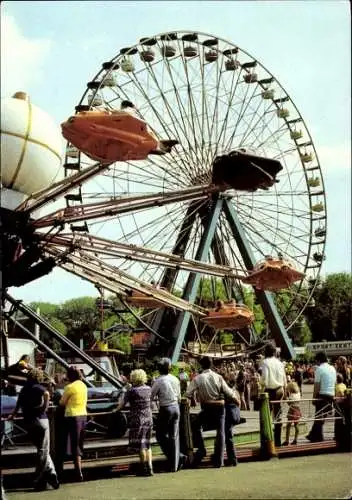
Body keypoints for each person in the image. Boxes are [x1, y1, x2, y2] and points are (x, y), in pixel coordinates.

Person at [8, 368, 59, 491]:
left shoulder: (24, 389)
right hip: (41, 419)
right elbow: (46, 393)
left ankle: (51, 474)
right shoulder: (37, 387)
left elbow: (18, 404)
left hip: (28, 421)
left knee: (41, 449)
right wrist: (44, 407)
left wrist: (13, 415)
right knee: (44, 450)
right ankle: (39, 477)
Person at [186, 356, 237, 468]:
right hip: (219, 409)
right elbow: (229, 392)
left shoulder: (197, 378)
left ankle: (201, 449)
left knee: (195, 425)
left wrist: (191, 399)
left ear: (201, 366)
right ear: (212, 365)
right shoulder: (218, 377)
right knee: (221, 431)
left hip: (207, 409)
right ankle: (219, 461)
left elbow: (187, 394)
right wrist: (237, 400)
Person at [117, 369, 153, 476]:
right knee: (148, 444)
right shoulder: (148, 388)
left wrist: (115, 410)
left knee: (141, 444)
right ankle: (150, 467)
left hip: (137, 419)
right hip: (148, 417)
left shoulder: (132, 391)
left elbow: (122, 404)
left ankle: (143, 468)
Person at [151, 358, 182, 472]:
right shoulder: (175, 379)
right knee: (174, 436)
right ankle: (175, 463)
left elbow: (151, 395)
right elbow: (179, 396)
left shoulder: (159, 381)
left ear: (159, 369)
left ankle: (175, 457)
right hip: (176, 407)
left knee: (160, 435)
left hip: (166, 408)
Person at [59, 366, 88, 481]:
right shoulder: (83, 385)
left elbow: (62, 402)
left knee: (73, 444)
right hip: (83, 415)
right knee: (79, 443)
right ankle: (79, 470)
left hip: (72, 416)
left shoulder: (69, 387)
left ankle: (78, 472)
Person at [260, 343, 287, 447]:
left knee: (267, 415)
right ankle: (278, 440)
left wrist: (262, 387)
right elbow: (284, 377)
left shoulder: (265, 362)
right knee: (278, 414)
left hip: (270, 391)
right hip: (280, 389)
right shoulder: (279, 362)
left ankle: (268, 439)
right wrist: (284, 390)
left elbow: (265, 378)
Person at [306, 351, 336, 443]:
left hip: (322, 394)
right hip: (331, 394)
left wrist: (314, 397)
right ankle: (314, 435)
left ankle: (317, 436)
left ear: (318, 360)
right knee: (321, 416)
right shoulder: (332, 368)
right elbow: (334, 383)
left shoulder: (319, 369)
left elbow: (317, 386)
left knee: (319, 416)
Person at [223, 373, 241, 466]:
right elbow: (239, 402)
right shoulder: (236, 390)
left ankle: (232, 459)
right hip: (236, 414)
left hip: (230, 414)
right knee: (228, 435)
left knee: (228, 437)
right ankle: (231, 458)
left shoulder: (228, 391)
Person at [282, 381, 302, 446]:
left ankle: (287, 440)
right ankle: (295, 439)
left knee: (288, 426)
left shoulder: (292, 395)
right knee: (296, 425)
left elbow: (289, 403)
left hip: (292, 410)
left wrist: (286, 397)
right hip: (298, 409)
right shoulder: (298, 393)